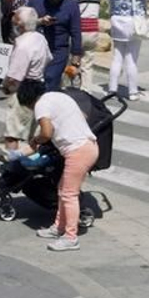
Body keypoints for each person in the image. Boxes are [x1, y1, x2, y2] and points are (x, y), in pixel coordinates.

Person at [21, 85, 98, 252]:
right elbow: (82, 115)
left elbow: (47, 133)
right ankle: (58, 227)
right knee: (63, 190)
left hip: (78, 150)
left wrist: (36, 140)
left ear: (28, 102)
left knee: (69, 194)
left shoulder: (40, 105)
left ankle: (71, 238)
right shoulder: (56, 96)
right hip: (86, 146)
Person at [0, 8, 50, 153]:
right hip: (39, 85)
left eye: (14, 19)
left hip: (23, 88)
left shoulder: (23, 45)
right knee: (32, 132)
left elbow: (14, 76)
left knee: (12, 133)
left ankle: (11, 164)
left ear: (20, 25)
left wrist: (5, 87)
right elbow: (49, 58)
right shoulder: (40, 38)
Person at [30, 0, 82, 91]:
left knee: (50, 79)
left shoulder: (71, 6)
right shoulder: (36, 1)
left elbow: (76, 32)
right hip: (37, 48)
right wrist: (40, 21)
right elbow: (22, 22)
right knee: (33, 82)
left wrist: (76, 57)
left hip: (58, 50)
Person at [71, 0, 101, 89]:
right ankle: (86, 91)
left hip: (80, 32)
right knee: (87, 64)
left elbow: (73, 13)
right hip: (93, 32)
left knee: (73, 60)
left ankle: (73, 87)